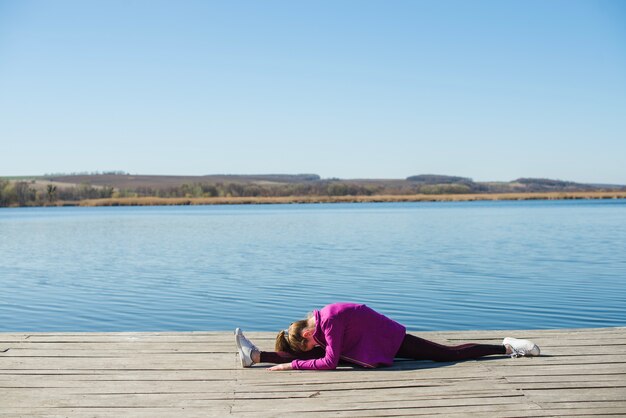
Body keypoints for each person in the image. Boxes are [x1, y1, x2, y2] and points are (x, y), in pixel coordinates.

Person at [234, 302, 540, 371]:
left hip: (389, 340)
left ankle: (505, 346)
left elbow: (328, 363)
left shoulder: (329, 322)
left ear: (308, 330)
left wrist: (290, 365)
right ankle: (255, 356)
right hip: (369, 344)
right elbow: (321, 355)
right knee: (317, 356)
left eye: (309, 341)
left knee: (449, 354)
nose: (313, 344)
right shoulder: (319, 325)